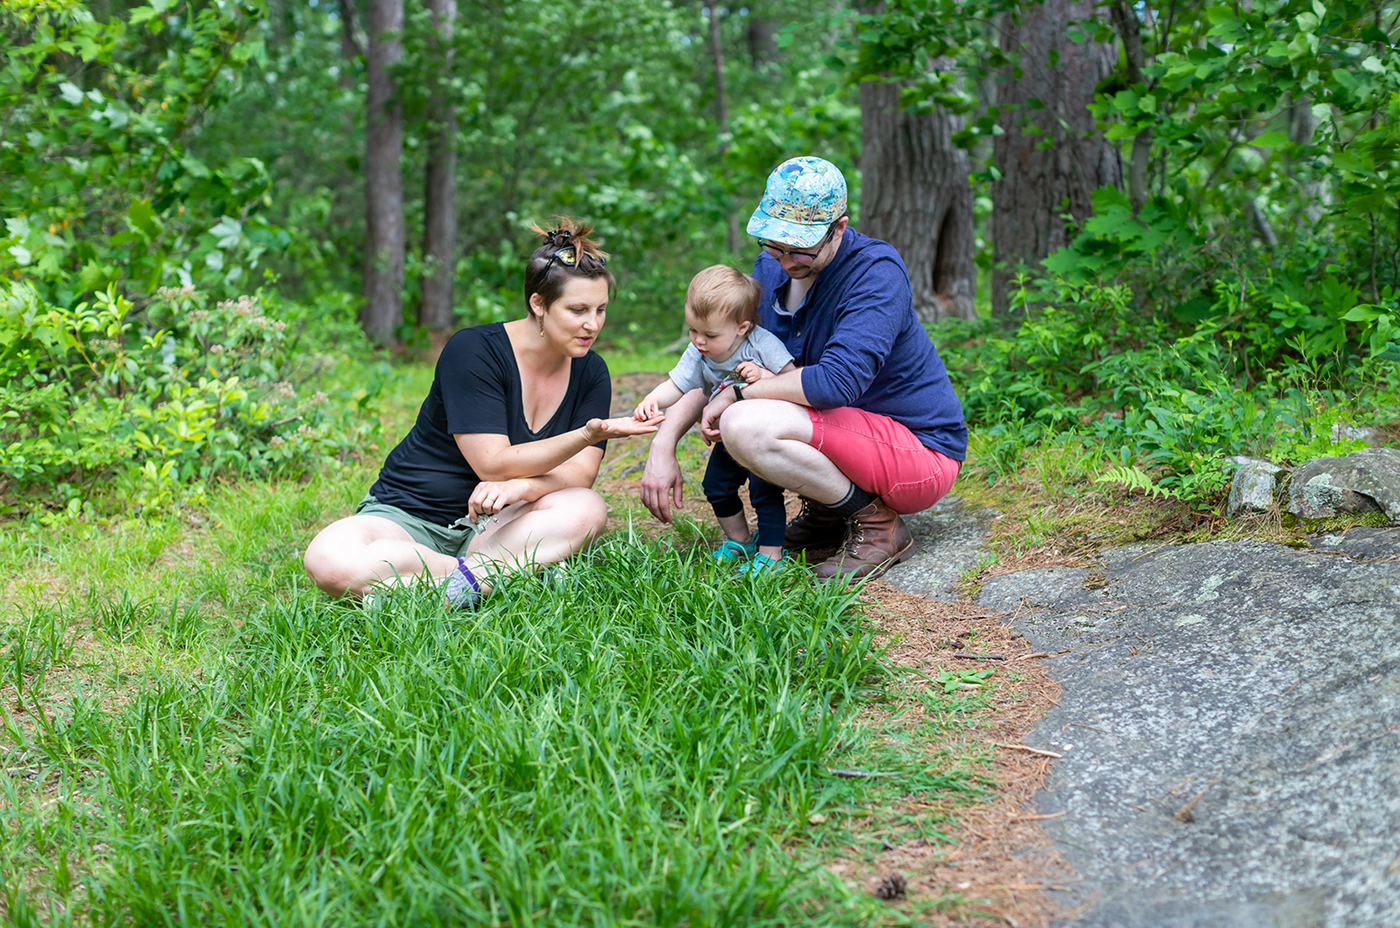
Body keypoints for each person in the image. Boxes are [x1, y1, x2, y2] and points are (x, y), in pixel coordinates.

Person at [640, 157, 967, 582]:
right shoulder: (769, 269)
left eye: (800, 247)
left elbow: (835, 383)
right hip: (845, 437)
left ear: (840, 228)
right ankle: (833, 513)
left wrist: (736, 395)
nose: (786, 260)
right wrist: (663, 445)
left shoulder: (875, 273)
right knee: (744, 413)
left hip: (917, 453)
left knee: (745, 423)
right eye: (774, 244)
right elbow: (720, 360)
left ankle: (878, 527)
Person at [304, 219, 662, 607]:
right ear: (538, 304)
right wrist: (587, 435)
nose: (592, 324)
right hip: (410, 516)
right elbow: (493, 465)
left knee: (585, 509)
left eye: (601, 309)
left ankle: (434, 587)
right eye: (577, 310)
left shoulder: (592, 372)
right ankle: (501, 575)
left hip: (501, 523)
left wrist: (523, 488)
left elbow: (580, 475)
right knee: (327, 559)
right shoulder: (474, 350)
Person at [632, 265, 795, 573]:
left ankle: (772, 555)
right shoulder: (699, 352)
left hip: (762, 433)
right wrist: (652, 399)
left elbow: (792, 382)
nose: (698, 340)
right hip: (728, 438)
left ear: (742, 327)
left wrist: (762, 375)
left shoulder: (761, 345)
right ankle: (741, 540)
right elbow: (677, 384)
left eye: (709, 334)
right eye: (693, 330)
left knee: (765, 490)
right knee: (716, 485)